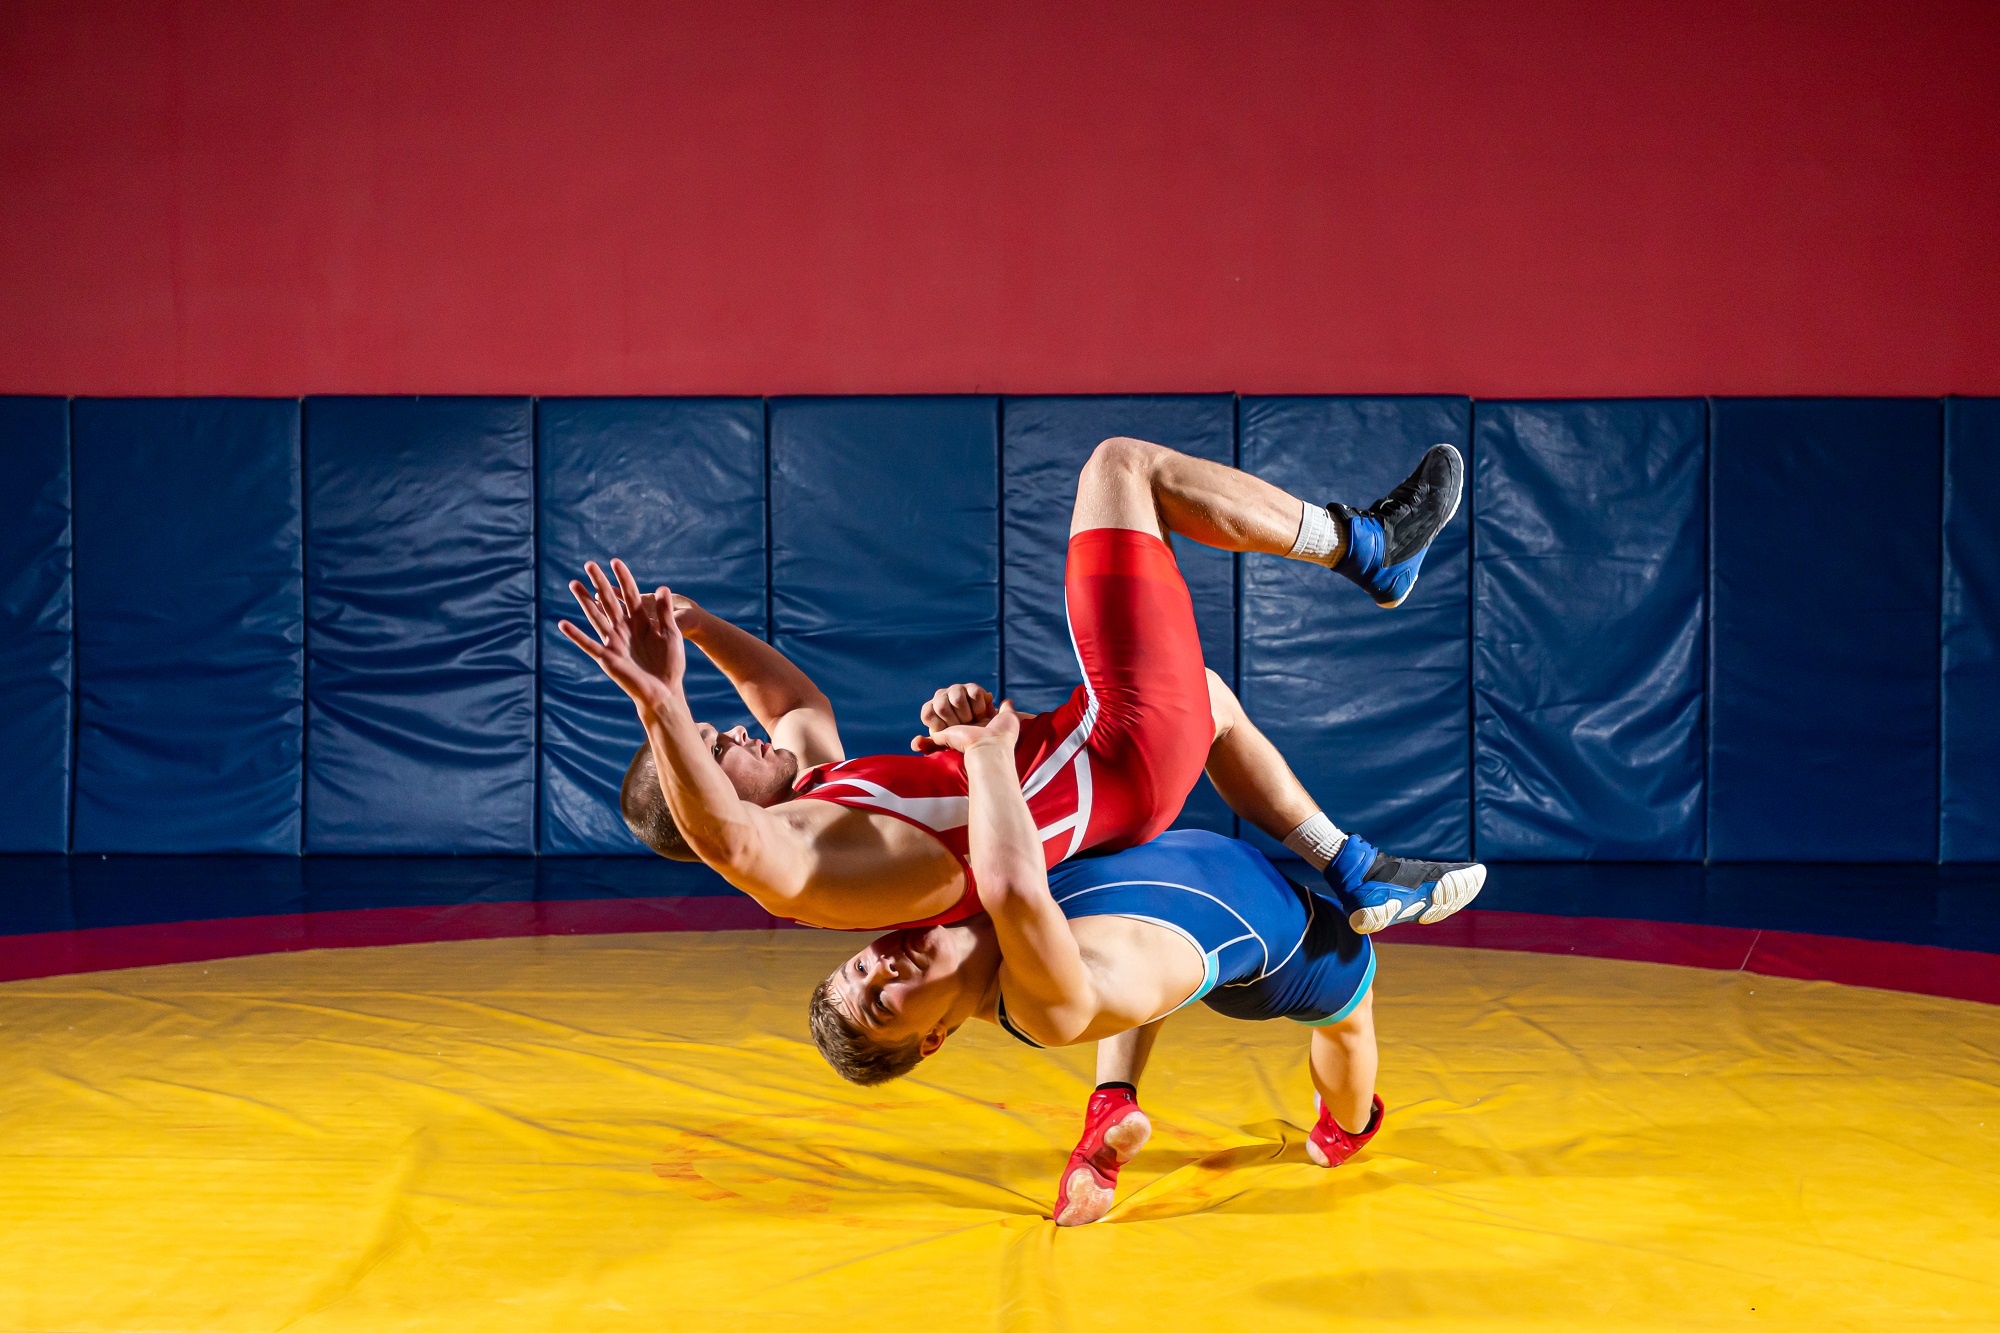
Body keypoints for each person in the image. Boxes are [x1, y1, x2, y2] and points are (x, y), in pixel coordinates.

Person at [559, 435, 1478, 934]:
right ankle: (1368, 546)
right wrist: (660, 700)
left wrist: (694, 623)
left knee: (1212, 698)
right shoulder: (795, 862)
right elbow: (721, 829)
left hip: (1115, 765)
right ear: (703, 793)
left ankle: (1355, 870)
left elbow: (795, 706)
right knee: (1121, 468)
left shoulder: (814, 790)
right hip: (1118, 749)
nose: (742, 735)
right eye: (724, 748)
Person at [810, 701, 1389, 1226]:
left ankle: (1110, 1100)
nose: (882, 969)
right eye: (881, 1005)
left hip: (1173, 939)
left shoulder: (961, 915)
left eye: (860, 969)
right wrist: (988, 753)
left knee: (1127, 981)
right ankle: (1346, 1128)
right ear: (932, 1038)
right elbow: (1013, 883)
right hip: (1285, 948)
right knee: (1349, 1016)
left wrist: (954, 729)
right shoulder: (1035, 997)